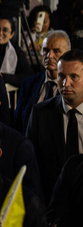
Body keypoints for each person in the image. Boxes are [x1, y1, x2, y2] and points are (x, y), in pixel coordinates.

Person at [25, 49, 83, 201]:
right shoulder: (40, 113)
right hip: (51, 204)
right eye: (61, 76)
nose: (65, 83)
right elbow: (30, 163)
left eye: (74, 77)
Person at [14, 29, 70, 132]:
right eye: (46, 50)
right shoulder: (29, 83)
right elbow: (18, 123)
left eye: (56, 51)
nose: (49, 56)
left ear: (67, 54)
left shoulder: (73, 87)